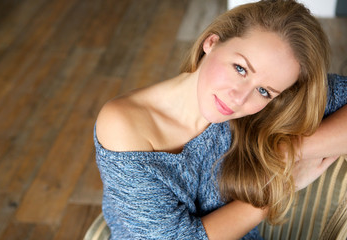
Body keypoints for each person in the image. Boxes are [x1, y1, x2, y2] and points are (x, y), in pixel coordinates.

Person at [94, 0, 347, 239]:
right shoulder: (122, 124)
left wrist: (289, 152)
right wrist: (279, 184)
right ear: (212, 41)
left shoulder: (268, 108)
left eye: (264, 91)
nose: (239, 98)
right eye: (240, 68)